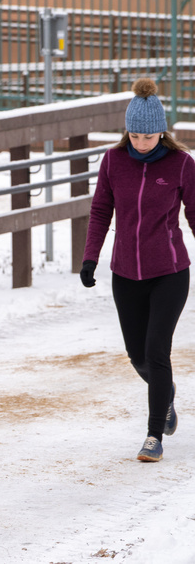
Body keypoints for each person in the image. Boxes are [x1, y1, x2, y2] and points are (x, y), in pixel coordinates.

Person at [81, 78, 195, 462]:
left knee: (156, 351)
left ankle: (153, 436)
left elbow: (194, 214)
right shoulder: (114, 161)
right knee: (137, 356)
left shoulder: (182, 164)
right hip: (126, 273)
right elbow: (100, 212)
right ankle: (166, 394)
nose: (141, 143)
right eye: (134, 135)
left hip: (169, 271)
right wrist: (90, 258)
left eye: (148, 137)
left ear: (162, 132)